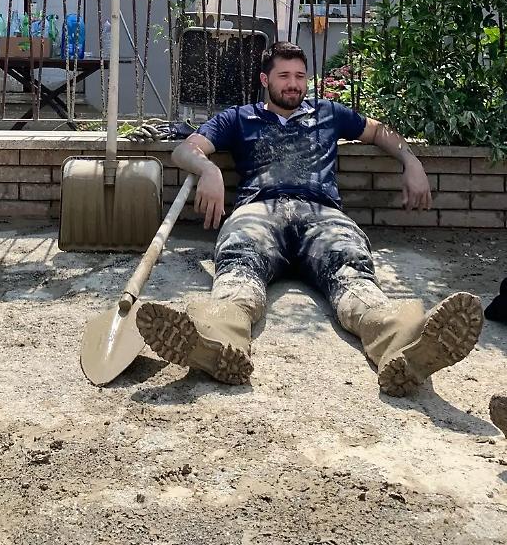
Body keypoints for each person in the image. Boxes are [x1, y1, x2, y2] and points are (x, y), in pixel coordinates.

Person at [136, 41, 484, 397]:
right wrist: (208, 170)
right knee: (240, 264)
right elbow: (186, 149)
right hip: (259, 211)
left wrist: (411, 161)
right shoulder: (238, 118)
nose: (293, 84)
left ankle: (400, 342)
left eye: (300, 76)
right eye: (284, 76)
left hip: (322, 214)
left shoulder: (329, 113)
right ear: (265, 80)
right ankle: (218, 338)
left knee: (350, 268)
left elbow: (379, 131)